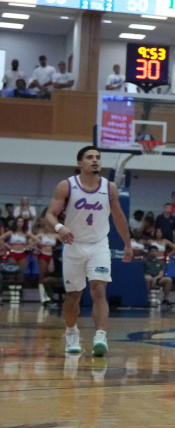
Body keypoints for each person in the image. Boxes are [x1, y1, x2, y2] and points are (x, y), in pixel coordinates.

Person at [44, 146, 133, 355]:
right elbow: (49, 214)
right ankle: (71, 332)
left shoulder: (109, 187)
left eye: (98, 157)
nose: (95, 160)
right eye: (90, 157)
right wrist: (60, 227)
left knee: (99, 289)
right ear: (80, 163)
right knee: (74, 295)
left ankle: (100, 337)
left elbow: (119, 217)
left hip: (99, 245)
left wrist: (128, 244)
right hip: (74, 245)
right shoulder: (66, 186)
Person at [31, 226, 59, 304]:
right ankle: (42, 298)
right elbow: (30, 241)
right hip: (43, 255)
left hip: (52, 256)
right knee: (42, 276)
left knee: (49, 274)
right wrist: (36, 247)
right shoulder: (41, 235)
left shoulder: (56, 236)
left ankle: (49, 296)